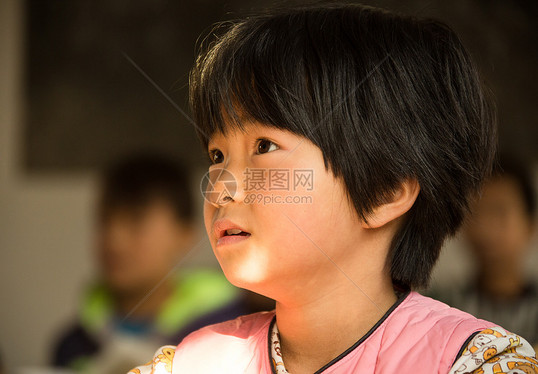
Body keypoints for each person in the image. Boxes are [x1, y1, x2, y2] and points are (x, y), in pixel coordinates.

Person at [130, 3, 537, 373]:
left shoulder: (477, 363)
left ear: (385, 191)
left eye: (264, 146)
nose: (222, 188)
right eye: (217, 156)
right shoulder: (184, 365)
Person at [52, 153, 251, 373]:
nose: (115, 240)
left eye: (136, 221)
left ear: (184, 235)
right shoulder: (72, 346)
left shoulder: (233, 333)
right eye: (105, 220)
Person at [433, 157, 538, 348]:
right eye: (476, 213)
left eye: (499, 213)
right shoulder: (441, 308)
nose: (485, 229)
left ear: (530, 225)